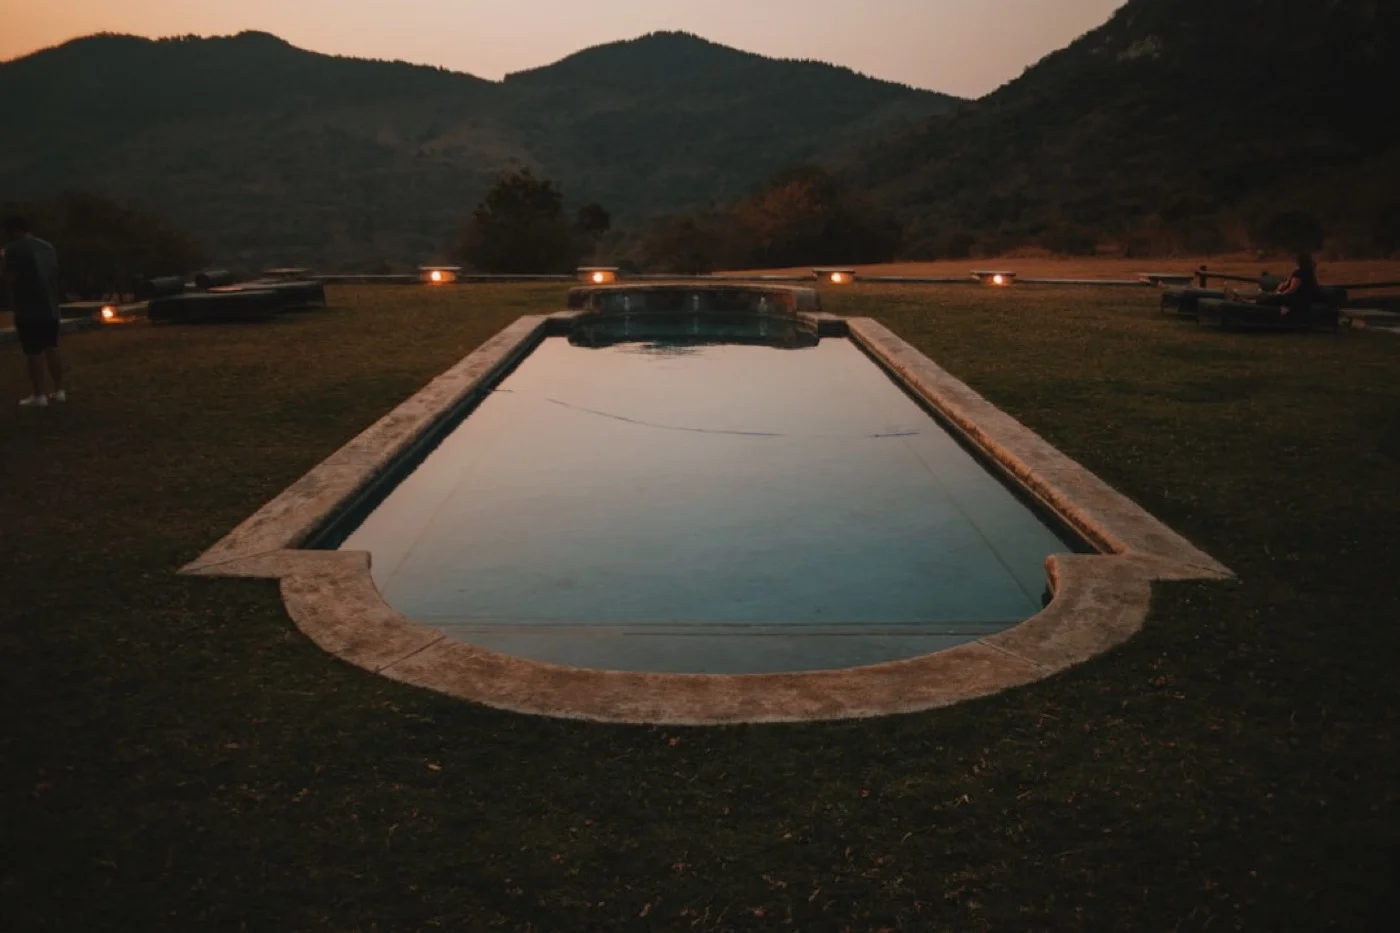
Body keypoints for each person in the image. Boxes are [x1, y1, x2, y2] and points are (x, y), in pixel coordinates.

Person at [1, 216, 64, 406]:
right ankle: (59, 390)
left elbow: (10, 277)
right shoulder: (48, 247)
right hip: (50, 305)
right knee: (51, 347)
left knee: (33, 351)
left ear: (13, 231)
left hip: (28, 307)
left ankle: (39, 395)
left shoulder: (13, 249)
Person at [1228, 251, 1321, 316]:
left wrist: (1280, 294)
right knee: (1269, 296)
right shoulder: (1308, 273)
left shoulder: (1300, 273)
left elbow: (1292, 289)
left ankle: (1246, 302)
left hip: (1297, 301)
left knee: (1270, 297)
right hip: (1303, 301)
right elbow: (1287, 284)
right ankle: (1246, 300)